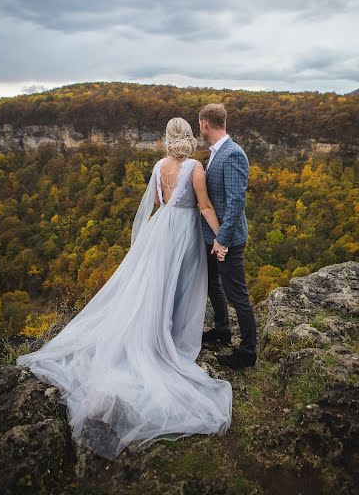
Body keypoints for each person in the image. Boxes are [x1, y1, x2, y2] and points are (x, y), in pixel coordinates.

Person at [16, 117, 232, 461]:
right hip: (184, 233)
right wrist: (221, 237)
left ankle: (154, 330)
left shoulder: (159, 165)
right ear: (190, 138)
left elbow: (160, 204)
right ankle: (170, 337)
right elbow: (204, 207)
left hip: (160, 231)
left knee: (155, 286)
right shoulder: (196, 169)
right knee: (183, 285)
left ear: (166, 138)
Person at [199, 103, 257, 369]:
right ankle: (222, 329)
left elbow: (236, 203)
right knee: (213, 282)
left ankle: (247, 352)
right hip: (214, 236)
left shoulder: (232, 153)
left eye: (199, 124)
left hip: (228, 239)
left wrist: (222, 240)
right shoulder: (216, 152)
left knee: (237, 295)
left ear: (205, 124)